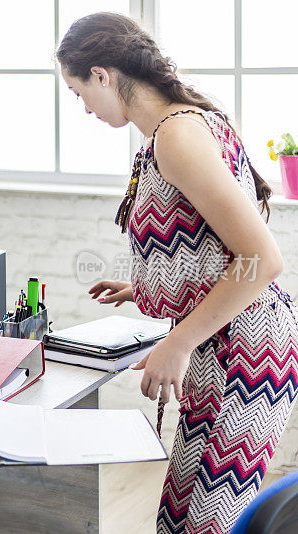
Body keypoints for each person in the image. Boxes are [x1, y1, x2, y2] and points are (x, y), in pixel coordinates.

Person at [57, 12, 298, 534]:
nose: (84, 109)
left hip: (244, 352)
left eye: (79, 93)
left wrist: (178, 342)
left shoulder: (176, 136)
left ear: (101, 74)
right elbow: (208, 245)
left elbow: (263, 261)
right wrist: (148, 285)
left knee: (202, 523)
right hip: (227, 341)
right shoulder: (170, 130)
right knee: (182, 516)